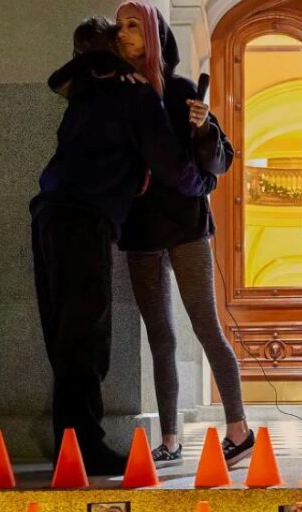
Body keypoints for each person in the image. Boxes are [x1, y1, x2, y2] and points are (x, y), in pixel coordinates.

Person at [32, 16, 215, 475]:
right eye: (122, 34)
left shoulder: (83, 96)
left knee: (65, 338)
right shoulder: (134, 96)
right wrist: (204, 182)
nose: (130, 39)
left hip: (48, 217)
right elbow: (171, 165)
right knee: (87, 340)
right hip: (84, 222)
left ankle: (70, 448)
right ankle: (83, 450)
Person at [113, 1, 253, 468]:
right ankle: (170, 440)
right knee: (160, 336)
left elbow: (218, 160)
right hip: (140, 230)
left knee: (205, 326)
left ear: (153, 35)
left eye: (134, 26)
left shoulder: (179, 90)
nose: (123, 34)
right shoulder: (117, 92)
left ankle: (239, 429)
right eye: (119, 27)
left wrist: (203, 126)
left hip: (187, 226)